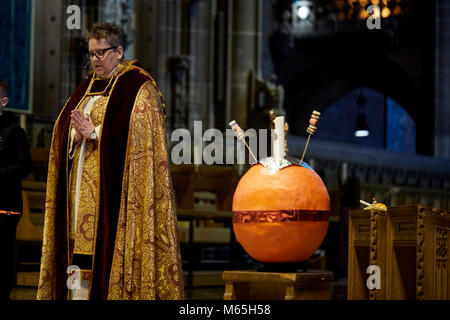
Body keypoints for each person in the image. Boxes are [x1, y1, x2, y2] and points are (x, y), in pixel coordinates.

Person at [37, 23, 184, 300]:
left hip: (117, 195)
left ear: (119, 51)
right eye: (91, 53)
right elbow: (64, 129)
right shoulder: (86, 86)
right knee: (76, 252)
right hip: (79, 191)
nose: (95, 60)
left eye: (101, 53)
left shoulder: (138, 86)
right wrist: (74, 136)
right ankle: (76, 297)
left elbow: (141, 139)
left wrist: (95, 133)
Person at [0, 80, 32, 300]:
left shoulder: (14, 131)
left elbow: (24, 166)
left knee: (2, 256)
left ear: (3, 101)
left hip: (5, 204)